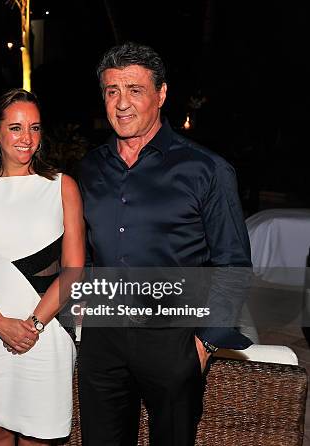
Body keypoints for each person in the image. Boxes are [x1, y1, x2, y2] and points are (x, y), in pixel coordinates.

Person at [77, 42, 253, 445]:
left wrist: (205, 342)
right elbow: (84, 246)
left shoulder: (206, 170)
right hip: (103, 341)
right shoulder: (90, 168)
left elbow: (233, 263)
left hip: (174, 339)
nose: (122, 103)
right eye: (112, 91)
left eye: (135, 90)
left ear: (161, 94)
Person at [0, 89, 85, 445]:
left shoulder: (61, 187)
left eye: (35, 128)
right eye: (15, 128)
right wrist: (0, 325)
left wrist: (33, 325)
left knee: (37, 435)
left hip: (44, 328)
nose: (27, 138)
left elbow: (74, 269)